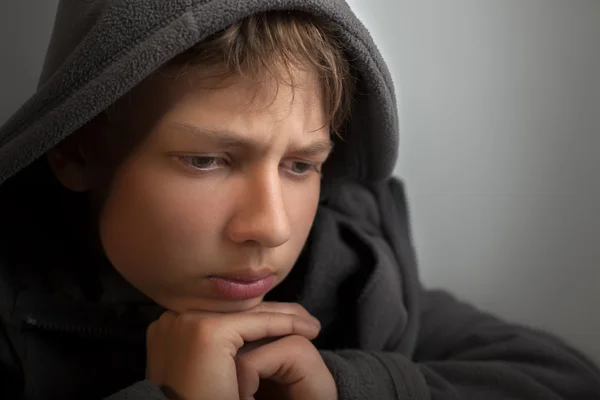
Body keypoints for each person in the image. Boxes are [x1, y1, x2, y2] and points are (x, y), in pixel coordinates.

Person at [0, 1, 599, 399]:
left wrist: (346, 388)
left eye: (300, 165)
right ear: (76, 153)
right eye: (206, 160)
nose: (271, 227)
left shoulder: (359, 276)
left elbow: (569, 381)